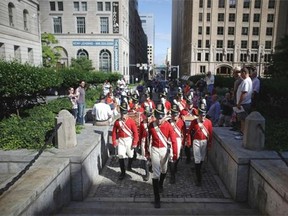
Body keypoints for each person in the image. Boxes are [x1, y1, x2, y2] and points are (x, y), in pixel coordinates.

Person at [148, 103, 177, 208]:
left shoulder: (168, 126)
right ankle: (157, 199)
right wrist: (147, 152)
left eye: (161, 117)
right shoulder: (151, 125)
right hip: (155, 149)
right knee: (155, 174)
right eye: (157, 117)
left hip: (164, 150)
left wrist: (175, 153)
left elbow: (173, 140)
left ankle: (161, 184)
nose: (159, 120)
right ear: (155, 116)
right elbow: (148, 139)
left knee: (164, 170)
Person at [187, 101, 213, 187]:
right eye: (201, 115)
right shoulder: (194, 122)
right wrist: (189, 142)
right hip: (196, 141)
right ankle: (199, 178)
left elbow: (210, 134)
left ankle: (198, 168)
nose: (202, 117)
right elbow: (189, 132)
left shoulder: (208, 122)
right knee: (197, 159)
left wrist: (209, 144)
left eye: (204, 115)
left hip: (204, 141)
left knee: (202, 158)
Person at [112, 101, 139, 180]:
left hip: (129, 140)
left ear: (127, 113)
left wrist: (135, 142)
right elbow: (114, 132)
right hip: (121, 140)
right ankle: (122, 172)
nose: (124, 115)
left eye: (125, 113)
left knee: (130, 155)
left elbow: (135, 133)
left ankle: (129, 166)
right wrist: (114, 141)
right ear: (120, 113)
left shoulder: (131, 121)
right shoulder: (117, 122)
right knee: (121, 155)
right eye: (122, 113)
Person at [168, 104, 186, 184]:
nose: (173, 116)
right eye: (172, 114)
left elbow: (184, 132)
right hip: (169, 140)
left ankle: (174, 167)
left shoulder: (181, 122)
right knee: (171, 157)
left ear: (178, 114)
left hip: (178, 140)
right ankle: (172, 175)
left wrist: (184, 142)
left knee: (177, 155)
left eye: (175, 114)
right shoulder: (168, 122)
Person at [235, 67, 253, 140]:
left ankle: (243, 135)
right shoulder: (247, 80)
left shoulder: (246, 81)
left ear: (244, 73)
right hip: (245, 103)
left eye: (241, 73)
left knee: (243, 119)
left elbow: (244, 93)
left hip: (244, 104)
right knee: (242, 119)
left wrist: (239, 103)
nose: (240, 75)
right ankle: (241, 131)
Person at [138, 106, 154, 181]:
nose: (148, 117)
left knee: (152, 155)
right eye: (147, 115)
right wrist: (139, 143)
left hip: (152, 141)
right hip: (144, 141)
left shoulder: (154, 123)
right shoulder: (142, 124)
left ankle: (151, 167)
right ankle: (147, 173)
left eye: (149, 115)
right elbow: (140, 134)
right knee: (145, 156)